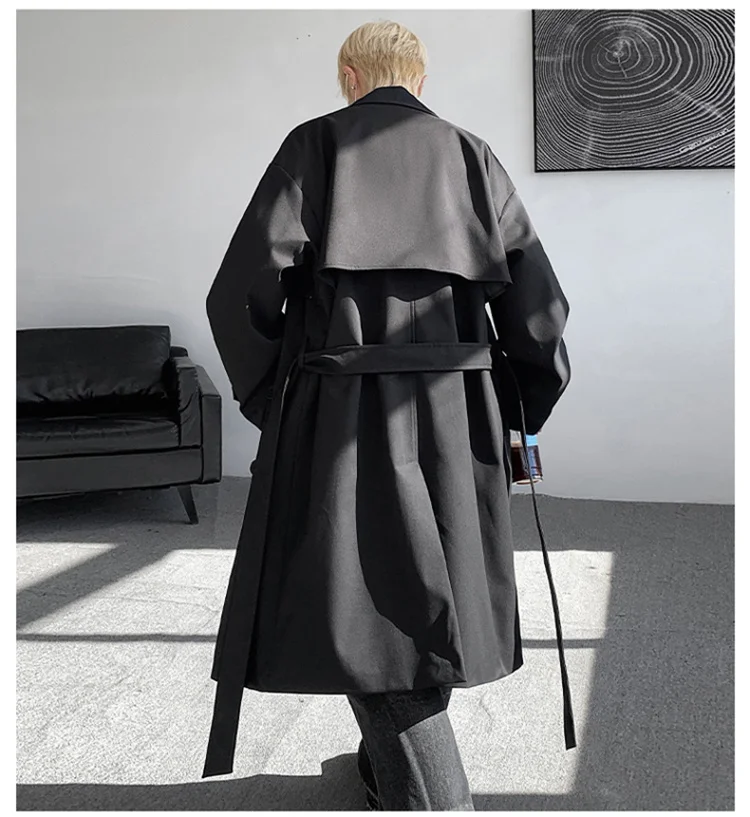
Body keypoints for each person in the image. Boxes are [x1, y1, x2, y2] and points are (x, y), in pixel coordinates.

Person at [202, 19, 574, 810]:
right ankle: (387, 769)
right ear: (421, 79)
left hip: (340, 410)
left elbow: (239, 295)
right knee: (422, 590)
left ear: (348, 75)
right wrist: (519, 410)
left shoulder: (315, 145)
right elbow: (539, 311)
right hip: (459, 411)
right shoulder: (473, 156)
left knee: (363, 595)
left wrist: (275, 398)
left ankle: (434, 798)